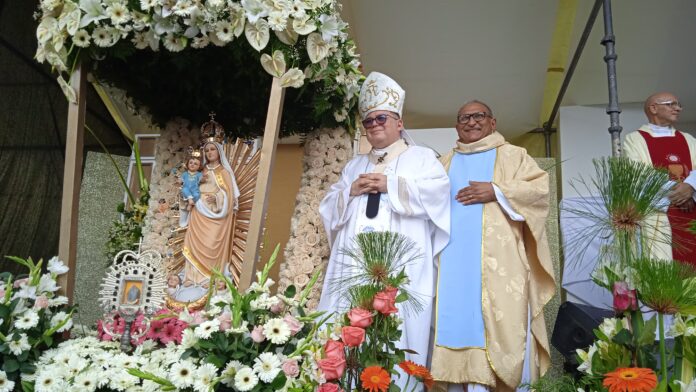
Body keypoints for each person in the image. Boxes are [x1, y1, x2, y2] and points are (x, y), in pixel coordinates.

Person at [318, 72, 450, 379]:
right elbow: (329, 207)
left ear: (399, 122)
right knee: (347, 329)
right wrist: (350, 191)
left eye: (382, 118)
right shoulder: (354, 165)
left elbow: (438, 195)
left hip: (401, 267)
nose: (375, 125)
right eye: (368, 121)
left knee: (398, 333)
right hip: (353, 266)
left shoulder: (422, 159)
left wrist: (391, 184)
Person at [432, 100, 556, 392]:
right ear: (456, 125)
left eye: (479, 116)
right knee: (454, 325)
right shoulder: (442, 164)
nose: (471, 121)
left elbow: (540, 191)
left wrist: (497, 190)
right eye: (464, 117)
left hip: (502, 265)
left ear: (493, 122)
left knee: (503, 327)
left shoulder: (514, 156)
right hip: (452, 267)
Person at [623, 92, 696, 265]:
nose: (677, 108)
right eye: (671, 104)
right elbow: (639, 174)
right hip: (659, 216)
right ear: (653, 108)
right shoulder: (635, 139)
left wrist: (690, 187)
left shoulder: (688, 139)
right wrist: (679, 195)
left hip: (692, 210)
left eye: (678, 104)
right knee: (664, 267)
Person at [180, 126, 240, 288]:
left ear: (219, 151)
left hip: (217, 216)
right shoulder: (201, 171)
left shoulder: (224, 172)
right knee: (193, 244)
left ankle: (210, 276)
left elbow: (231, 197)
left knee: (213, 244)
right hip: (198, 213)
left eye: (213, 149)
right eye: (207, 151)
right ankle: (191, 277)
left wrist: (218, 197)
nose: (209, 153)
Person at [181, 147, 204, 212]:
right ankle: (190, 200)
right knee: (184, 189)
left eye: (195, 164)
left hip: (195, 190)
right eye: (191, 163)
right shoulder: (185, 173)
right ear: (187, 164)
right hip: (187, 189)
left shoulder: (199, 174)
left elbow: (201, 180)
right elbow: (181, 180)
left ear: (199, 166)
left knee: (197, 195)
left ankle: (190, 204)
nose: (192, 165)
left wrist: (204, 179)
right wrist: (179, 181)